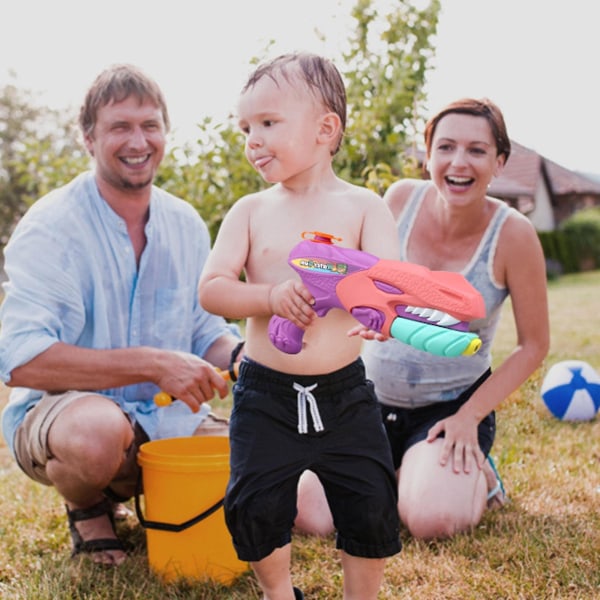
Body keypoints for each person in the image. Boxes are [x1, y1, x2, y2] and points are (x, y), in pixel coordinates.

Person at [0, 64, 244, 566]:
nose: (139, 140)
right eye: (120, 126)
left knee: (288, 491)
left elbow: (204, 331)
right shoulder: (52, 227)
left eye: (150, 125)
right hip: (69, 423)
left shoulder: (186, 224)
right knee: (97, 434)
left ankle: (145, 500)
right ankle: (87, 507)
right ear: (88, 138)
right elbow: (21, 362)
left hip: (168, 421)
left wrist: (243, 356)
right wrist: (153, 364)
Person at [298, 97, 550, 541]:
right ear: (428, 155)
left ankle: (472, 476)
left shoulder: (513, 235)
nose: (459, 162)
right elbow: (364, 285)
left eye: (477, 150)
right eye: (446, 147)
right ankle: (402, 471)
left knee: (431, 522)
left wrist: (469, 417)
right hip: (368, 401)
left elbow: (534, 346)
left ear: (499, 162)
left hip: (451, 409)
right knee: (315, 517)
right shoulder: (398, 201)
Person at [198, 52, 402, 600]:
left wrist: (381, 312)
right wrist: (268, 296)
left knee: (369, 499)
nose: (252, 139)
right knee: (256, 503)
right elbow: (212, 287)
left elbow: (387, 281)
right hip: (266, 394)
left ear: (324, 129)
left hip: (344, 394)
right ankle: (278, 592)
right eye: (246, 128)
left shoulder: (364, 207)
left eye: (268, 123)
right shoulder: (249, 210)